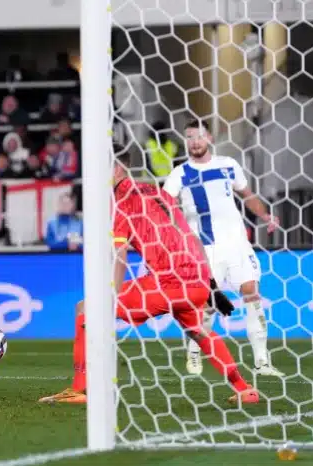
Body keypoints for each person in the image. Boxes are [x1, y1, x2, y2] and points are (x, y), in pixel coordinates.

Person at [39, 145, 258, 405]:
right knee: (198, 331)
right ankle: (245, 390)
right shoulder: (158, 192)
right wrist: (212, 286)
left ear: (117, 168)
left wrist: (111, 295)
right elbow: (192, 237)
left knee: (86, 309)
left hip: (168, 279)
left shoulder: (121, 200)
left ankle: (79, 389)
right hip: (195, 278)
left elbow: (119, 253)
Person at [163, 119, 283, 377]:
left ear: (210, 139)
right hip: (204, 249)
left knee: (251, 293)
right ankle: (195, 352)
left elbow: (247, 195)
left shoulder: (229, 165)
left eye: (199, 136)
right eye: (190, 136)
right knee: (207, 305)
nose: (194, 141)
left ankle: (262, 361)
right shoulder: (179, 174)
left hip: (236, 244)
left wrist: (266, 216)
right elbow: (165, 206)